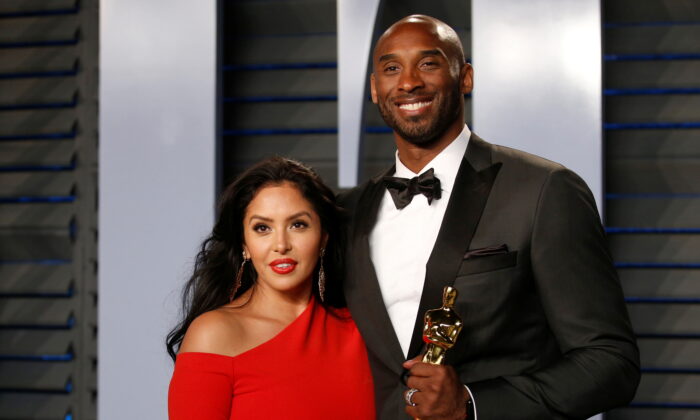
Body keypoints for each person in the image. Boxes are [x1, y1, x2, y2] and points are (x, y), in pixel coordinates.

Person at [339, 15, 640, 420]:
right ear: (376, 89)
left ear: (465, 78)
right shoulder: (347, 212)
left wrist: (472, 403)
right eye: (392, 68)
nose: (408, 82)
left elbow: (611, 362)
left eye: (428, 64)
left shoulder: (544, 190)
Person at [167, 157, 375, 419]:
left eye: (298, 224)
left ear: (323, 237)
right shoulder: (214, 334)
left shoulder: (361, 330)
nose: (281, 244)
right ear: (244, 244)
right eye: (262, 228)